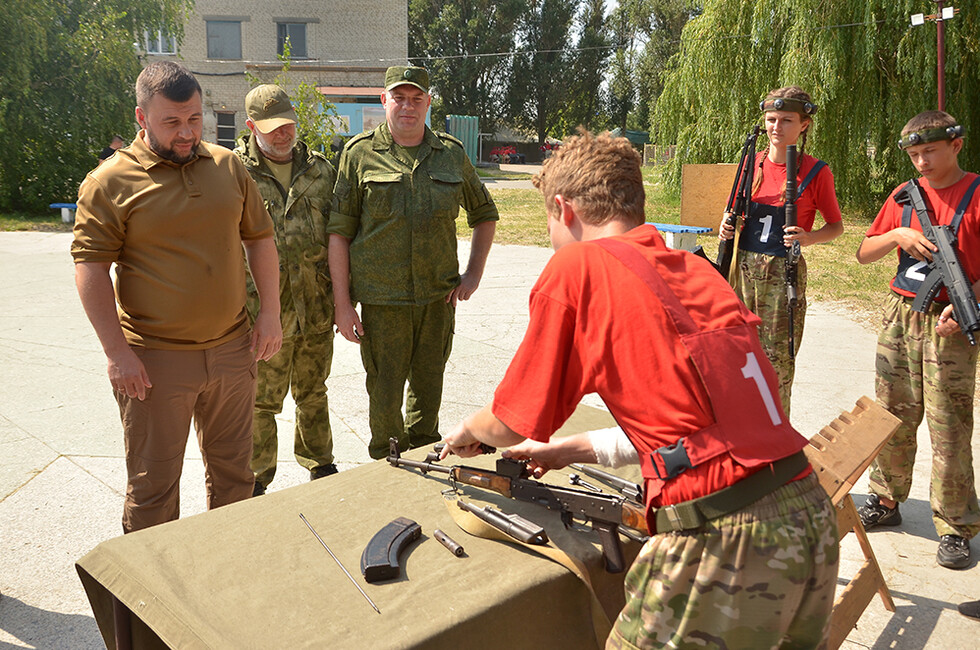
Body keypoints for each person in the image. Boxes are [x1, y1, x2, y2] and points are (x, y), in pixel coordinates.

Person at [442, 130, 839, 648]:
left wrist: (467, 431)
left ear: (563, 209)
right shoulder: (695, 271)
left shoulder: (580, 266)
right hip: (807, 513)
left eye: (548, 224)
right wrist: (568, 450)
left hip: (724, 537)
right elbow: (703, 428)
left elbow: (510, 422)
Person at [72, 61, 282, 534]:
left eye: (194, 118)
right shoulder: (109, 182)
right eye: (171, 122)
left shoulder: (227, 166)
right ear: (141, 117)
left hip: (232, 352)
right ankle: (150, 583)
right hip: (153, 362)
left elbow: (259, 239)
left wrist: (270, 312)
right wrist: (117, 353)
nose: (186, 133)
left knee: (236, 480)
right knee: (153, 490)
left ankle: (225, 571)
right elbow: (90, 269)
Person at [327, 65, 498, 459]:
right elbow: (339, 233)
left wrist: (474, 273)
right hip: (382, 303)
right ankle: (386, 465)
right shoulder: (358, 154)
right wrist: (342, 304)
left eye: (416, 98)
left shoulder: (451, 154)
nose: (408, 106)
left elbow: (484, 213)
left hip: (438, 300)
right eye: (399, 98)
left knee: (428, 389)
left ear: (428, 102)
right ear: (383, 100)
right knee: (384, 396)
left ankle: (424, 461)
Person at [855, 110, 980, 570]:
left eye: (930, 151)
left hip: (951, 322)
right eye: (914, 155)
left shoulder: (977, 194)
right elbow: (864, 253)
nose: (922, 162)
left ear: (956, 146)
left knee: (949, 426)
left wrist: (968, 304)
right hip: (900, 315)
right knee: (892, 414)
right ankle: (886, 500)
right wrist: (896, 233)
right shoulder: (903, 195)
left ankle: (955, 525)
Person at [234, 84, 338, 496]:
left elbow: (339, 237)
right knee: (261, 401)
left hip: (315, 305)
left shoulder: (321, 171)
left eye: (288, 124)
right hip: (261, 311)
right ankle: (257, 478)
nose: (283, 133)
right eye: (271, 127)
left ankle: (320, 463)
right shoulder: (233, 173)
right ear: (251, 126)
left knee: (314, 391)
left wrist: (344, 299)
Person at [719, 86, 843, 416]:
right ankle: (740, 426)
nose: (777, 127)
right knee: (738, 356)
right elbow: (733, 212)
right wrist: (726, 225)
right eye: (771, 119)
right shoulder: (752, 163)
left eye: (787, 120)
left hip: (782, 276)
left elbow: (836, 226)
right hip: (743, 273)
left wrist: (808, 237)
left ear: (804, 125)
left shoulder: (816, 171)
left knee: (776, 366)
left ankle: (776, 432)